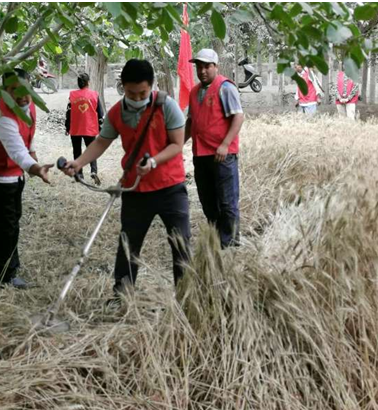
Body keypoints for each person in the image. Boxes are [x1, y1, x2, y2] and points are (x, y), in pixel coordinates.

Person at [60, 59, 190, 302]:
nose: (137, 97)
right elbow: (101, 141)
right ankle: (122, 295)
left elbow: (176, 144)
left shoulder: (166, 106)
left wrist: (153, 162)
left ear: (151, 87)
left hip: (170, 187)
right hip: (135, 189)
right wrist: (79, 162)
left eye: (142, 93)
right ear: (123, 88)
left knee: (181, 244)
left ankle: (186, 296)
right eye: (131, 93)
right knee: (128, 244)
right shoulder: (117, 112)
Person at [0, 68, 54, 289]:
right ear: (4, 92)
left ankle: (11, 264)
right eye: (13, 90)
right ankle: (5, 276)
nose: (21, 95)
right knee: (3, 225)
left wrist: (33, 152)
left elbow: (27, 136)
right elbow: (16, 150)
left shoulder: (28, 106)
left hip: (14, 174)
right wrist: (36, 167)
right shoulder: (2, 118)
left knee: (12, 221)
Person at [185, 49, 244, 249]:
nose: (202, 71)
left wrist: (225, 144)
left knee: (227, 201)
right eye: (199, 67)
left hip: (222, 155)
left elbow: (238, 116)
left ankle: (231, 243)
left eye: (206, 66)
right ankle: (217, 238)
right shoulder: (194, 92)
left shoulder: (225, 87)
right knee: (207, 200)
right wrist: (177, 145)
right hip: (200, 154)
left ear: (215, 67)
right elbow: (191, 121)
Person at [65, 73, 104, 183]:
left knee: (77, 151)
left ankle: (79, 175)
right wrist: (101, 127)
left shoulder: (72, 95)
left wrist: (67, 127)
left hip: (75, 128)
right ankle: (93, 171)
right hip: (90, 128)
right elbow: (100, 114)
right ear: (88, 82)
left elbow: (68, 112)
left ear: (78, 84)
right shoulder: (94, 95)